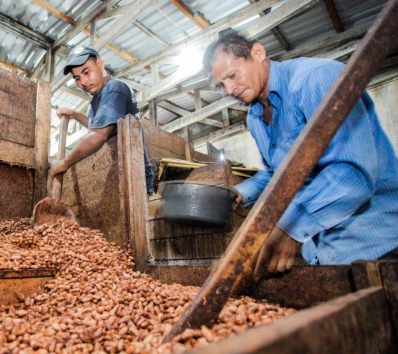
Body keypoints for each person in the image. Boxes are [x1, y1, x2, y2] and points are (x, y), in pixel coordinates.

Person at [203, 31, 398, 280]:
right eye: (221, 85)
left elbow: (352, 172)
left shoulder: (315, 79)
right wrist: (242, 191)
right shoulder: (255, 118)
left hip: (377, 245)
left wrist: (289, 226)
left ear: (258, 53)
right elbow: (281, 173)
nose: (230, 89)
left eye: (232, 75)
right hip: (324, 254)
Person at [52, 45, 155, 196]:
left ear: (100, 63)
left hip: (135, 180)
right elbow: (99, 126)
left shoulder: (114, 88)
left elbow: (99, 135)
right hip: (122, 176)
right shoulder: (96, 101)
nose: (83, 82)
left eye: (86, 72)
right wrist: (74, 113)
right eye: (77, 78)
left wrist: (65, 163)